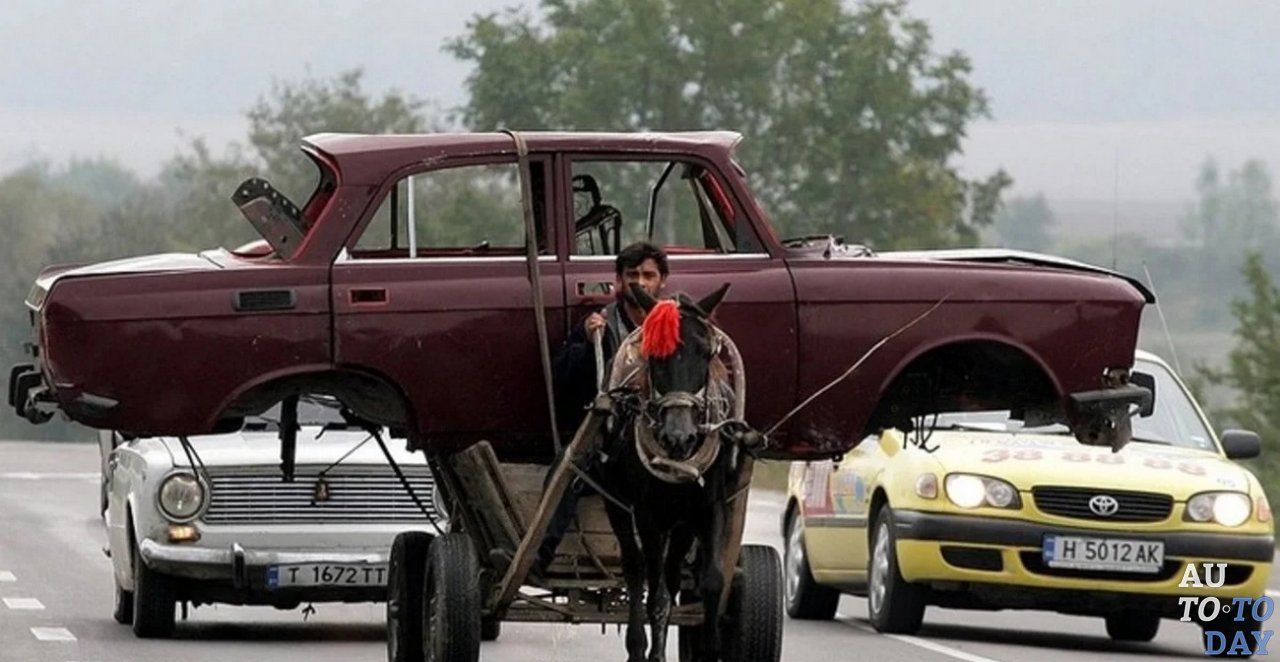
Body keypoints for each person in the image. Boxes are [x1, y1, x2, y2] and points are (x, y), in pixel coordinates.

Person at [533, 241, 670, 578]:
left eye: (648, 275)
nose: (640, 282)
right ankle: (538, 557)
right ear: (619, 281)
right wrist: (585, 340)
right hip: (611, 446)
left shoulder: (674, 324)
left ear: (662, 281)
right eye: (632, 275)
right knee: (568, 468)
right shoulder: (601, 324)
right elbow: (564, 379)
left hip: (663, 443)